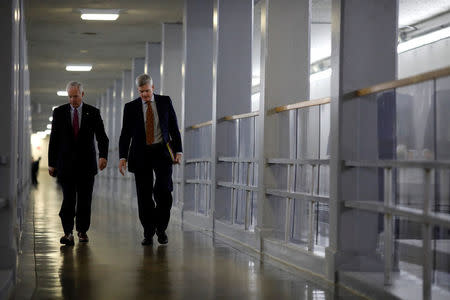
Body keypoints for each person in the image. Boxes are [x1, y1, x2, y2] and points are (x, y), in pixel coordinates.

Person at [119, 74, 182, 246]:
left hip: (162, 152)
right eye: (141, 92)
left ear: (153, 88)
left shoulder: (165, 101)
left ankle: (161, 229)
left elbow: (174, 127)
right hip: (140, 154)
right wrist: (122, 157)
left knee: (163, 190)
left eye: (147, 91)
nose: (145, 95)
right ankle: (148, 231)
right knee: (144, 195)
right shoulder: (130, 107)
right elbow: (125, 134)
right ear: (138, 91)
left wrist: (179, 151)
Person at [48, 81, 109, 246]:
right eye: (70, 96)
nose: (72, 99)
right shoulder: (59, 112)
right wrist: (51, 163)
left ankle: (82, 230)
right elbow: (54, 139)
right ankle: (68, 233)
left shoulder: (93, 112)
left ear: (82, 94)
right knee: (68, 199)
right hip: (65, 165)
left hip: (87, 165)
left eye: (75, 96)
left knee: (84, 199)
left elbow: (102, 136)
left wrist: (103, 156)